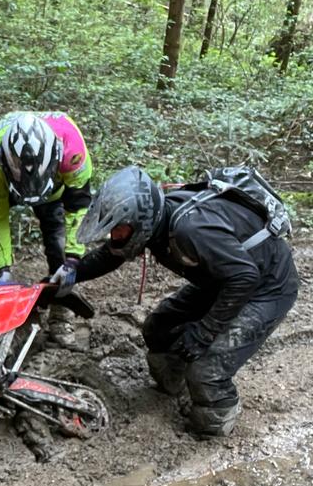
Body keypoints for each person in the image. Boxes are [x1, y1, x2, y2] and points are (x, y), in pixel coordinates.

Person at [53, 165, 299, 438]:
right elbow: (112, 254)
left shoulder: (190, 230)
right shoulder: (156, 221)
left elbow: (244, 279)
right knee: (158, 328)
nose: (115, 236)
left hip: (266, 287)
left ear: (139, 221)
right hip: (222, 279)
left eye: (119, 230)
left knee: (207, 370)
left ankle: (216, 424)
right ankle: (176, 384)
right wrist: (73, 273)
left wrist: (204, 332)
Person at [0, 110, 93, 281]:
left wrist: (73, 258)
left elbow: (78, 206)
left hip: (55, 191)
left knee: (59, 242)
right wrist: (4, 268)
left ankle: (59, 299)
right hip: (6, 186)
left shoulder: (73, 151)